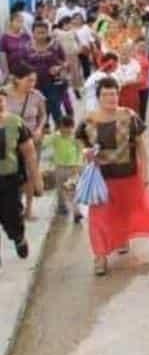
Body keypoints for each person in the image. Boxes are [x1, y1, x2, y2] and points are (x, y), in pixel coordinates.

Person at [76, 77, 149, 276]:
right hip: (100, 179)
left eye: (114, 94)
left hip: (128, 174)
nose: (111, 98)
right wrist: (85, 152)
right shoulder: (88, 120)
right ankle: (100, 257)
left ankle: (122, 238)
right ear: (98, 97)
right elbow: (81, 142)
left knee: (125, 211)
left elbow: (141, 148)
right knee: (98, 217)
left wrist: (145, 175)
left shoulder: (129, 117)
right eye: (106, 94)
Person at [0, 87, 42, 260]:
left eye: (1, 101)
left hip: (8, 180)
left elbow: (29, 152)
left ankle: (18, 237)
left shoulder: (14, 122)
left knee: (11, 216)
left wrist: (36, 178)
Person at [5, 64, 47, 220]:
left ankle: (29, 208)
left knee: (29, 173)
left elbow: (43, 115)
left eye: (34, 81)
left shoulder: (37, 96)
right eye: (28, 80)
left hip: (31, 140)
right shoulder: (4, 94)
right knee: (10, 174)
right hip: (9, 142)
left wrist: (39, 129)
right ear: (16, 79)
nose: (32, 84)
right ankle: (12, 206)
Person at [22, 21, 67, 127]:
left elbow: (66, 61)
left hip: (53, 82)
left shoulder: (55, 45)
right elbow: (23, 65)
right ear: (32, 33)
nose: (41, 35)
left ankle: (61, 131)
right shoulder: (26, 47)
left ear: (48, 33)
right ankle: (43, 130)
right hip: (34, 84)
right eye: (38, 33)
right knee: (38, 109)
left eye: (44, 32)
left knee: (55, 106)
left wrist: (59, 68)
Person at [44, 115, 83, 222]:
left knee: (71, 190)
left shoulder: (75, 138)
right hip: (59, 168)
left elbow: (80, 152)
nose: (66, 131)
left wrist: (77, 165)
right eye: (64, 129)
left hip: (72, 169)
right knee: (60, 188)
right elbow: (44, 143)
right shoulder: (55, 137)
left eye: (69, 129)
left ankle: (76, 212)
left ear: (73, 128)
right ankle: (62, 206)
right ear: (59, 127)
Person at [0, 10, 32, 77]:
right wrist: (6, 72)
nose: (20, 23)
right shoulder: (5, 37)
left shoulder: (25, 36)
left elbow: (32, 47)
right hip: (12, 68)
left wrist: (26, 29)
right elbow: (3, 56)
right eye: (17, 21)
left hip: (26, 67)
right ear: (11, 22)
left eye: (21, 21)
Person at [134, 38, 149, 123]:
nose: (142, 48)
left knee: (143, 110)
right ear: (135, 46)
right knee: (134, 109)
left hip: (145, 87)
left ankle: (141, 129)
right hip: (134, 87)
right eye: (140, 46)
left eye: (144, 46)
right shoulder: (132, 57)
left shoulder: (148, 56)